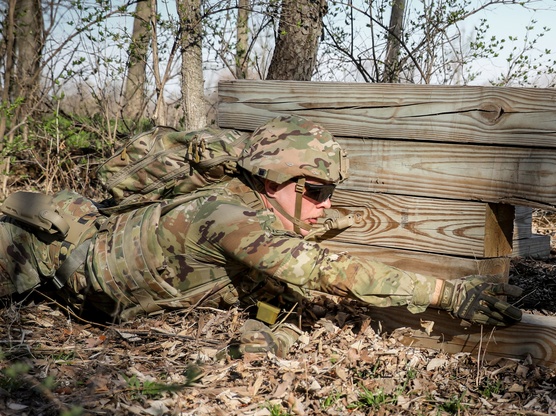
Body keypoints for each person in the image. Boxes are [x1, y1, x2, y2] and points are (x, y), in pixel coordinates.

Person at [0, 116, 522, 356]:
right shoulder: (230, 215)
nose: (327, 205)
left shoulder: (262, 216)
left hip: (80, 276)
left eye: (330, 191)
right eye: (315, 190)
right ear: (274, 181)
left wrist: (266, 331)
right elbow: (321, 272)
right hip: (49, 246)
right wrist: (446, 293)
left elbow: (276, 293)